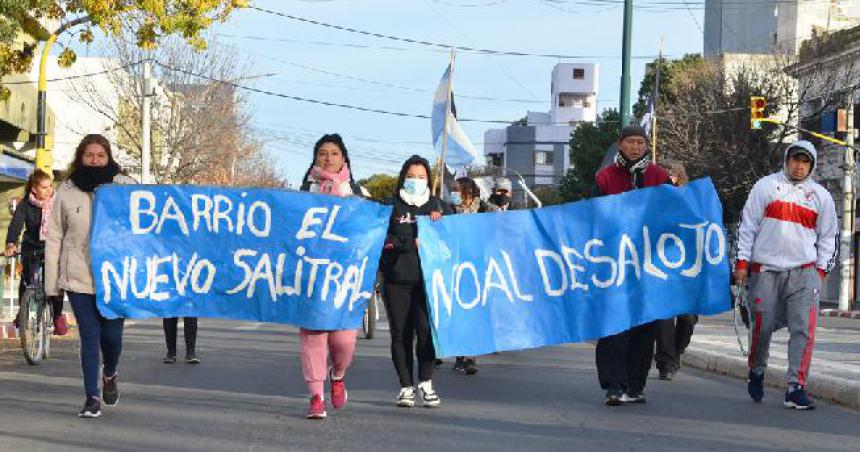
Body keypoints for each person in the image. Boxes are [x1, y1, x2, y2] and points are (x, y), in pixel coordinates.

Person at [734, 140, 837, 410]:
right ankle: (757, 370)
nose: (799, 166)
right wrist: (742, 263)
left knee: (803, 330)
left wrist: (822, 270)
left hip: (804, 272)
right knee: (763, 328)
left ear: (811, 165)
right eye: (795, 160)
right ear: (787, 161)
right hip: (765, 270)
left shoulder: (820, 196)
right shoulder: (766, 186)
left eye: (805, 162)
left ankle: (795, 387)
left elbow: (829, 238)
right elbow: (747, 226)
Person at [45, 134, 135, 418]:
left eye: (100, 155)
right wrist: (52, 284)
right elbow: (55, 237)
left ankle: (110, 373)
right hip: (78, 274)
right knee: (89, 335)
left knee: (111, 336)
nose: (94, 160)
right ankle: (91, 397)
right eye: (89, 155)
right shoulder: (67, 191)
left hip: (114, 277)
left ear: (108, 158)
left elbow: (143, 227)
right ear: (80, 157)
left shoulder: (124, 188)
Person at [592, 125, 671, 406]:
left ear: (647, 146)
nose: (636, 147)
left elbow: (672, 215)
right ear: (620, 144)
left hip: (650, 265)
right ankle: (614, 385)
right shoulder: (605, 178)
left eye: (641, 142)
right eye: (630, 142)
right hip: (614, 263)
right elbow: (593, 217)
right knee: (614, 324)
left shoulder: (659, 177)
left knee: (644, 326)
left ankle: (635, 385)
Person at [297, 134, 364, 420]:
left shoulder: (358, 194)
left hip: (344, 279)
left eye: (333, 153)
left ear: (344, 158)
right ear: (315, 158)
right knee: (313, 338)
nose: (328, 158)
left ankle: (337, 376)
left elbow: (368, 233)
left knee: (343, 340)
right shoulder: (303, 193)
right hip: (311, 276)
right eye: (322, 153)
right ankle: (316, 396)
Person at [380, 155, 449, 408]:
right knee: (400, 335)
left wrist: (440, 222)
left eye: (421, 177)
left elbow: (452, 239)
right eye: (411, 176)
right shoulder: (390, 206)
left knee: (426, 333)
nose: (416, 181)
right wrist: (409, 244)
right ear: (402, 177)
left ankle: (426, 382)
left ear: (429, 180)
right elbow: (382, 239)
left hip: (428, 282)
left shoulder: (438, 206)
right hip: (396, 281)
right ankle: (406, 387)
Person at [5, 169, 67, 335]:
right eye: (45, 187)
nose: (49, 190)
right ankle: (23, 310)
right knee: (27, 279)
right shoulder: (25, 204)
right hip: (32, 246)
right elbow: (16, 225)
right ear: (34, 189)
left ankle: (57, 316)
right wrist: (11, 243)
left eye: (50, 186)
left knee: (54, 283)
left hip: (54, 246)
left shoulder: (58, 202)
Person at [654, 160, 698, 380]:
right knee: (664, 316)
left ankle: (676, 352)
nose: (668, 179)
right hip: (660, 267)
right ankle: (666, 362)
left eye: (672, 175)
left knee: (688, 317)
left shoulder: (692, 203)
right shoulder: (651, 203)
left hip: (687, 268)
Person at [449, 176, 495, 375]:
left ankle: (471, 357)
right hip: (454, 265)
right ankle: (459, 354)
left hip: (477, 266)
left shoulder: (483, 208)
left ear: (467, 190)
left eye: (456, 189)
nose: (453, 193)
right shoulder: (448, 209)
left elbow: (499, 223)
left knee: (474, 311)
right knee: (458, 311)